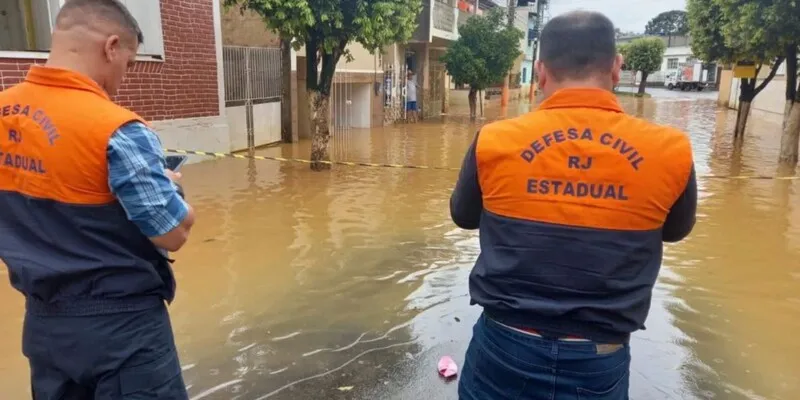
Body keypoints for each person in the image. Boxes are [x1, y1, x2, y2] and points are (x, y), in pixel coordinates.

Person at [451, 10, 697, 400]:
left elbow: (463, 216)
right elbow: (675, 231)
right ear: (616, 68)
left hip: (505, 348)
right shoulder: (671, 150)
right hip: (600, 358)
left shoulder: (494, 141)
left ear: (540, 71)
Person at [0, 0, 195, 398]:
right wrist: (171, 186)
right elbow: (172, 232)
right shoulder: (116, 128)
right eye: (128, 62)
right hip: (123, 331)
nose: (123, 78)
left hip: (44, 328)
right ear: (111, 46)